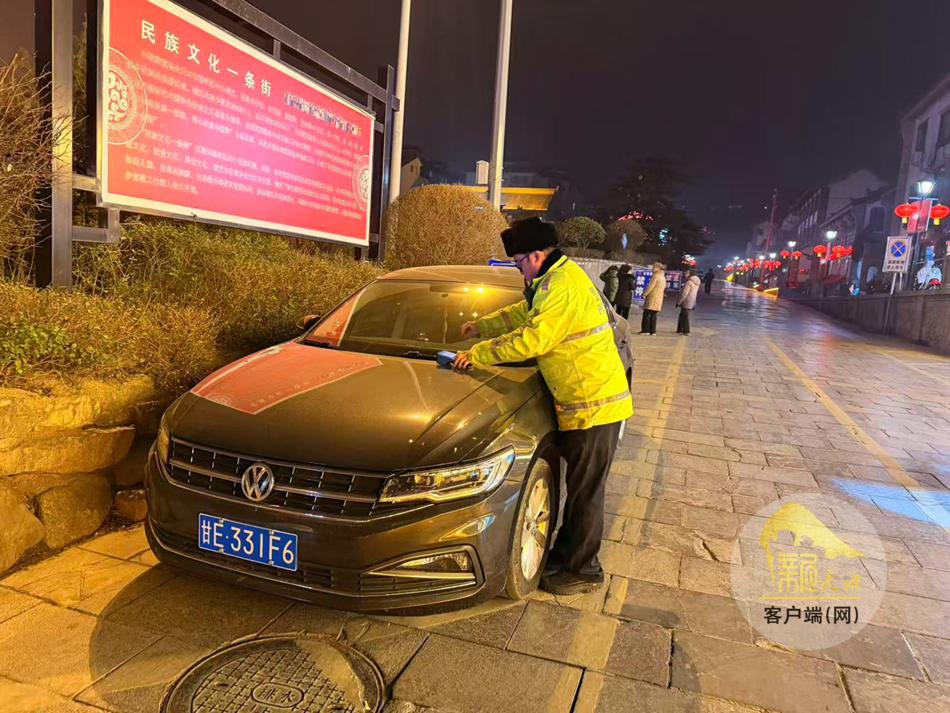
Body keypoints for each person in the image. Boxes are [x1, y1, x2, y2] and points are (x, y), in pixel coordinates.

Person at [453, 218, 633, 596]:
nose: (519, 270)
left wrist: (479, 353)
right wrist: (482, 326)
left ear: (535, 255)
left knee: (586, 494)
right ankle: (567, 556)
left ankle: (584, 570)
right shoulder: (550, 281)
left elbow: (533, 338)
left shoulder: (563, 286)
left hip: (594, 406)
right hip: (583, 403)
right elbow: (522, 314)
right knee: (579, 490)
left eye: (519, 262)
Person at [639, 263, 666, 335]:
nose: (652, 269)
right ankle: (652, 331)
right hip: (659, 298)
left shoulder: (655, 276)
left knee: (646, 314)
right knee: (653, 315)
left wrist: (644, 294)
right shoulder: (663, 276)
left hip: (652, 297)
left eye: (654, 267)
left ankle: (645, 330)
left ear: (658, 268)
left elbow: (650, 287)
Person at [676, 270, 701, 335]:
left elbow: (684, 293)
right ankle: (680, 329)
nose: (685, 274)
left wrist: (678, 302)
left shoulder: (689, 282)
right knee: (682, 315)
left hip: (686, 301)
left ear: (690, 274)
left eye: (687, 273)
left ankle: (686, 331)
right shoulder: (696, 282)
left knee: (685, 316)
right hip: (692, 300)